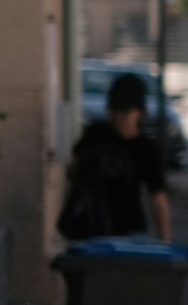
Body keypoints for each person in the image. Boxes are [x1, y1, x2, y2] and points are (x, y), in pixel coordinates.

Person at [62, 73, 171, 240]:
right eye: (115, 111)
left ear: (138, 112)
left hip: (128, 229)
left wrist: (165, 240)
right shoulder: (96, 135)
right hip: (92, 227)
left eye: (125, 112)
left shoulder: (145, 149)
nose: (119, 118)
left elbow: (157, 197)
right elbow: (72, 171)